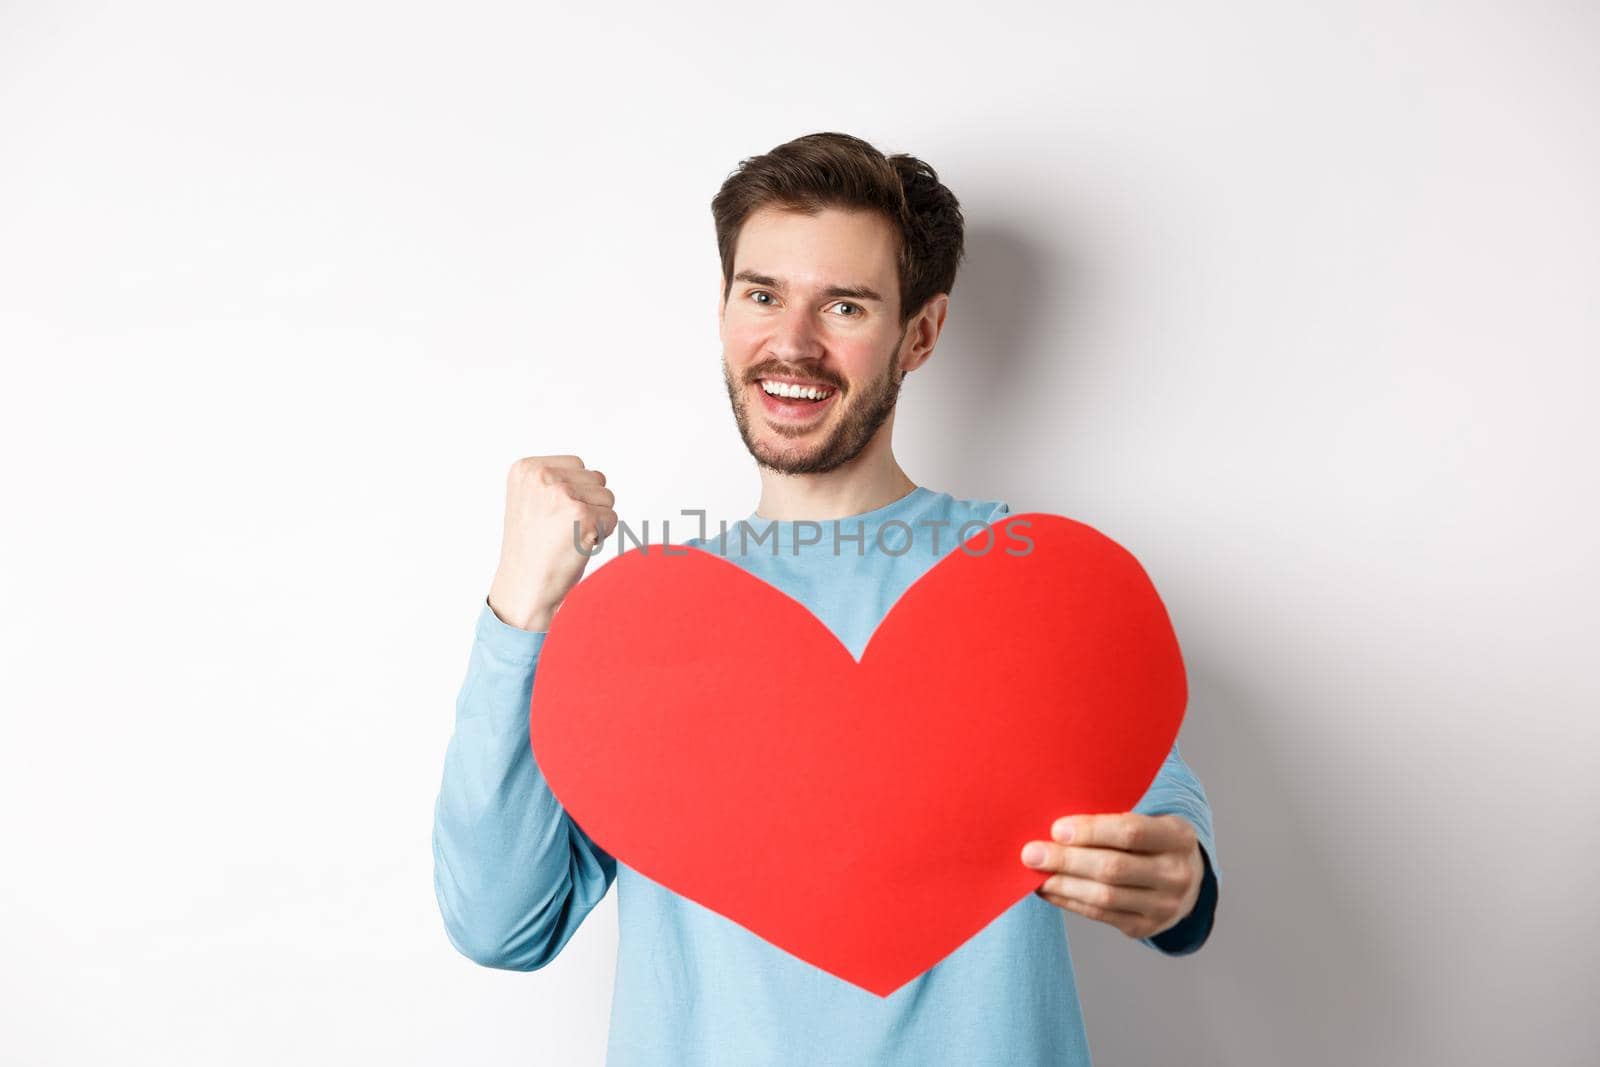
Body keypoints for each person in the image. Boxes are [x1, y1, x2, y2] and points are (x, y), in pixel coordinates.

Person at [432, 131, 1220, 1066]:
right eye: (762, 294)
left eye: (844, 305)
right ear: (724, 309)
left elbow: (1161, 839)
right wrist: (519, 610)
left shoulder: (1022, 578)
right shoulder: (646, 623)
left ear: (918, 334)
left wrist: (1179, 882)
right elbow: (500, 924)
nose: (791, 344)